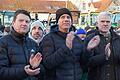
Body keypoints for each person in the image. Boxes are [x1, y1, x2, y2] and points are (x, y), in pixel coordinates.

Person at [41, 8, 86, 80]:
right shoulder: (49, 38)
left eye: (68, 17)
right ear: (57, 21)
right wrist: (66, 48)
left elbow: (83, 62)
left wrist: (89, 49)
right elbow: (47, 63)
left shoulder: (76, 38)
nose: (66, 19)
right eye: (62, 17)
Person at [0, 9, 45, 80]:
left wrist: (34, 67)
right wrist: (23, 71)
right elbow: (1, 72)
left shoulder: (33, 44)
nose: (24, 23)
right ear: (13, 23)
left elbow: (43, 70)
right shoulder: (3, 42)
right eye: (21, 20)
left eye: (27, 21)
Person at [85, 12, 120, 80]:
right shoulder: (90, 38)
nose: (105, 24)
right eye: (102, 21)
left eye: (108, 21)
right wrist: (104, 56)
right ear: (97, 24)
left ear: (110, 24)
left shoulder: (117, 39)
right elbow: (86, 63)